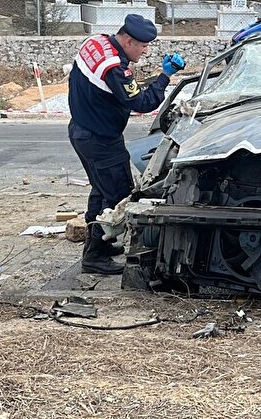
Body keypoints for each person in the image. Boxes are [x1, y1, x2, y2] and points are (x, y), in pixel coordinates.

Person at [68, 14, 185, 274]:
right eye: (142, 46)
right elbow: (142, 103)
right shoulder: (115, 68)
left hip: (82, 130)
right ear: (128, 40)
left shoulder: (96, 43)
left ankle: (100, 243)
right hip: (101, 139)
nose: (145, 51)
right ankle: (95, 257)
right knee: (117, 194)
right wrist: (165, 76)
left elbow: (117, 89)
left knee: (100, 191)